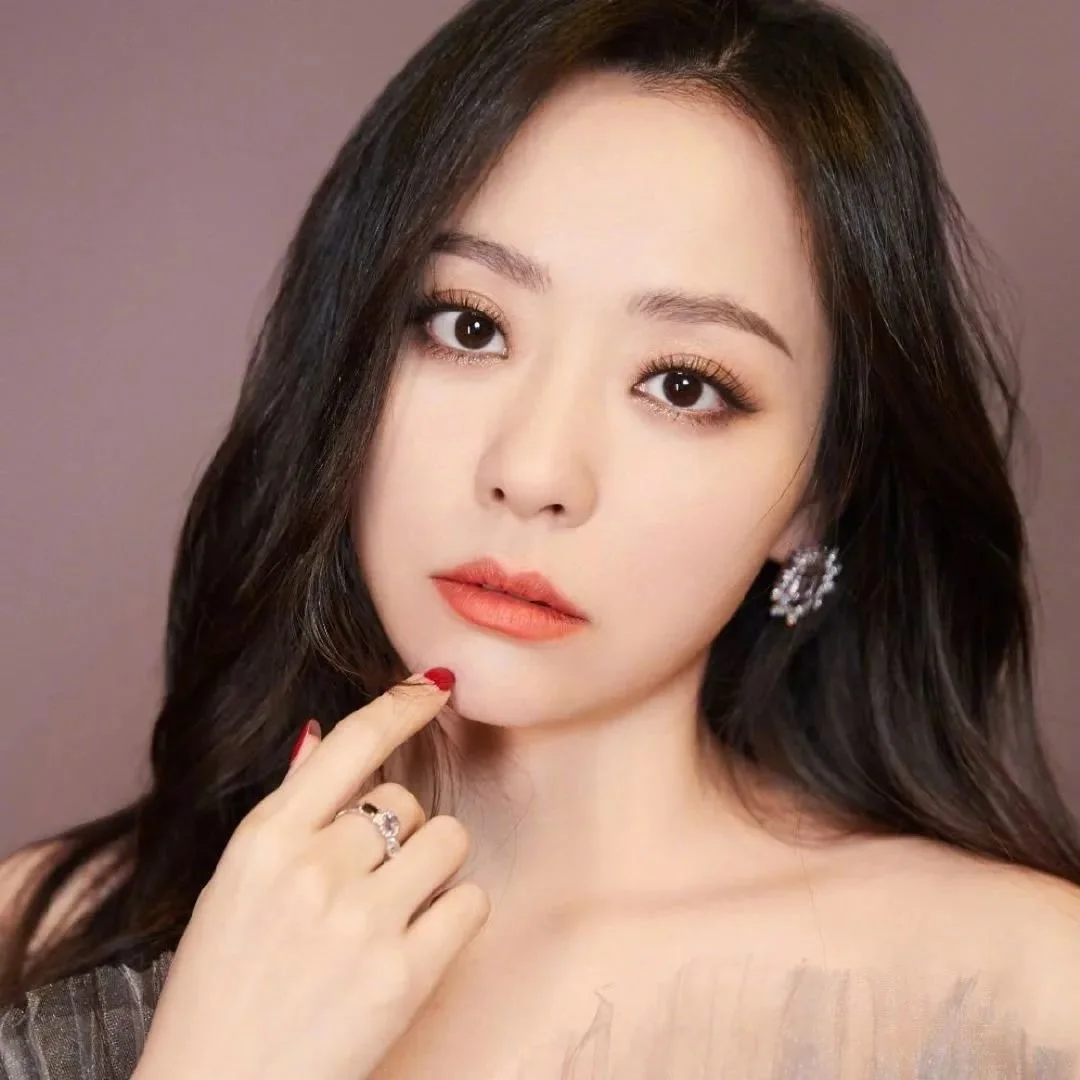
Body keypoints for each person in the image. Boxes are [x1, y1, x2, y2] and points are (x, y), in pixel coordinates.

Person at [3, 0, 1080, 1075]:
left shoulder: (1028, 996)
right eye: (469, 326)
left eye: (683, 384)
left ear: (820, 491)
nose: (533, 472)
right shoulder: (36, 937)